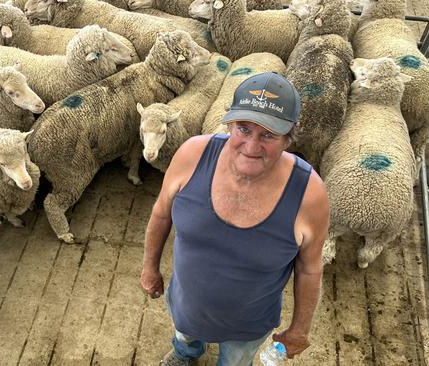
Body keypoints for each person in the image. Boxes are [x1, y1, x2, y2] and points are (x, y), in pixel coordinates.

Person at [140, 72, 329, 366]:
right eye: (243, 128)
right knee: (184, 335)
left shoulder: (309, 194)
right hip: (186, 303)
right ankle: (185, 353)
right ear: (229, 123)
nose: (251, 147)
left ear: (289, 137)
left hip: (248, 326)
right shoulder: (192, 154)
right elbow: (161, 212)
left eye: (268, 135)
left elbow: (309, 268)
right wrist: (150, 268)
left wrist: (300, 329)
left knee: (236, 361)